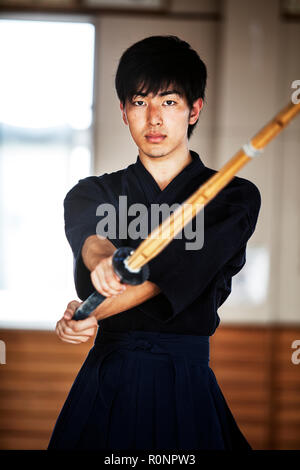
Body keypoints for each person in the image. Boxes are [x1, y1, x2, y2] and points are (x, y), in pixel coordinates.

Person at [48, 35, 261, 450]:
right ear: (124, 111)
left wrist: (95, 311)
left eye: (168, 101)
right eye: (140, 102)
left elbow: (172, 275)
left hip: (186, 378)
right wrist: (104, 261)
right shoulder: (92, 192)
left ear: (193, 109)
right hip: (108, 376)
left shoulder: (233, 197)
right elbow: (90, 240)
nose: (154, 119)